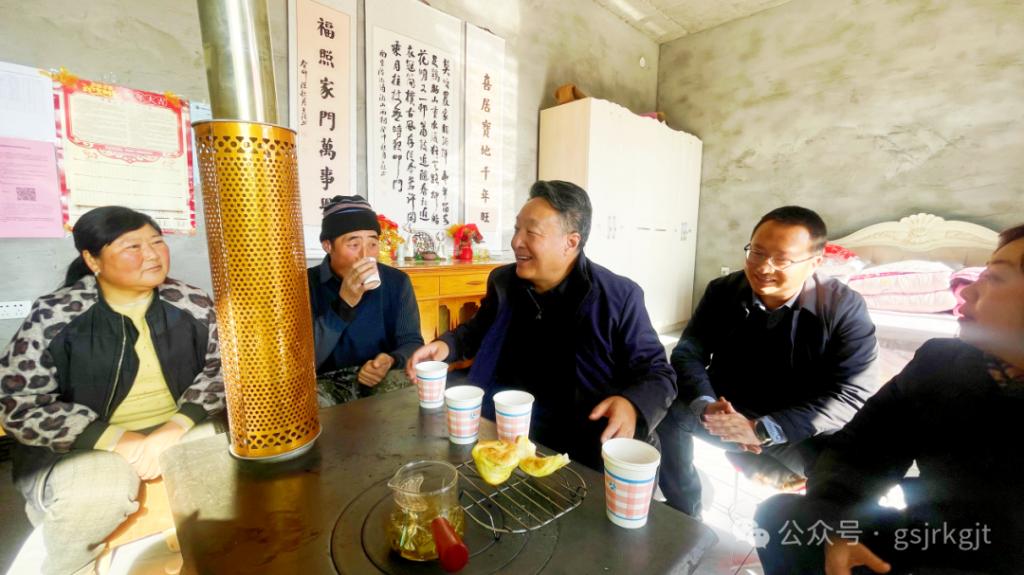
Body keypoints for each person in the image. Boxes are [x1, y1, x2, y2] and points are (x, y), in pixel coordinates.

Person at [754, 223, 1024, 575]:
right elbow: (862, 450)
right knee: (785, 518)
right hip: (936, 536)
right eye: (756, 252)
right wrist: (835, 522)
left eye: (995, 278)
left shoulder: (840, 306)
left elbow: (845, 393)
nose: (967, 291)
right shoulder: (942, 362)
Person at [0, 206, 225, 575]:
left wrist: (175, 426)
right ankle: (70, 568)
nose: (151, 255)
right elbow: (19, 404)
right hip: (82, 442)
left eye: (157, 242)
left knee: (234, 467)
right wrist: (119, 440)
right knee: (97, 493)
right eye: (132, 246)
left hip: (180, 426)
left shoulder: (192, 303)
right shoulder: (56, 315)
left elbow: (224, 371)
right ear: (93, 260)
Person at [405, 180, 676, 469]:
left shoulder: (618, 297)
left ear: (571, 242)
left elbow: (658, 372)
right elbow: (478, 329)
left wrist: (631, 405)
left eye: (531, 232)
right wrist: (445, 345)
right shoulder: (504, 282)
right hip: (505, 433)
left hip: (580, 447)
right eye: (516, 229)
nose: (516, 242)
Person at [657, 206, 880, 516]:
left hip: (797, 428)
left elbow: (853, 392)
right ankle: (684, 508)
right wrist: (706, 404)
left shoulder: (843, 308)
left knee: (844, 468)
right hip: (726, 413)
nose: (763, 267)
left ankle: (808, 534)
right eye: (756, 253)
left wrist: (762, 429)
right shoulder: (723, 291)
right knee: (664, 405)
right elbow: (688, 352)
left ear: (815, 262)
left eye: (782, 259)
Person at [308, 195, 423, 406]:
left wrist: (391, 360)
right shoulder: (306, 284)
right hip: (323, 383)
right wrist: (344, 304)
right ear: (327, 245)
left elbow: (412, 342)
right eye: (353, 244)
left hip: (381, 376)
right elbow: (304, 359)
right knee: (303, 403)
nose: (365, 255)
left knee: (418, 392)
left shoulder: (397, 282)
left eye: (372, 243)